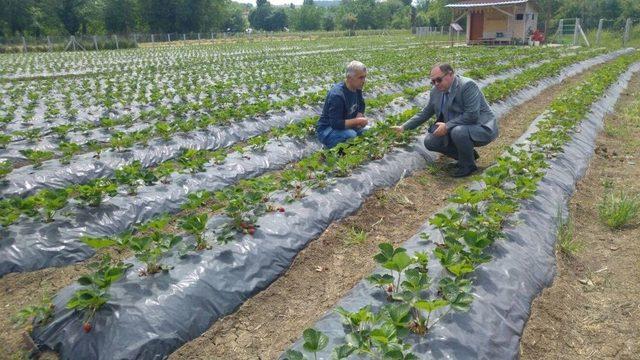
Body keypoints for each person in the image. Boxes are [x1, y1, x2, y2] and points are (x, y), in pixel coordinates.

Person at [393, 63, 498, 177]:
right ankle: (467, 157)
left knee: (458, 131)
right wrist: (403, 127)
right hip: (457, 127)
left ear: (450, 74)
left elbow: (472, 115)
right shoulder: (436, 91)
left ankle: (468, 166)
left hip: (481, 127)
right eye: (433, 81)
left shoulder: (467, 85)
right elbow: (426, 112)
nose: (436, 84)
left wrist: (447, 126)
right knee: (431, 141)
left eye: (438, 80)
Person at [316, 61, 369, 148]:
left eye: (364, 77)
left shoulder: (357, 88)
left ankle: (348, 147)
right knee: (351, 135)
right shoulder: (337, 95)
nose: (364, 81)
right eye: (360, 77)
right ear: (349, 77)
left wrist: (359, 116)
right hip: (328, 129)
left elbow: (361, 105)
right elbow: (336, 123)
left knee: (369, 131)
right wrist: (358, 121)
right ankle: (329, 148)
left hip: (346, 126)